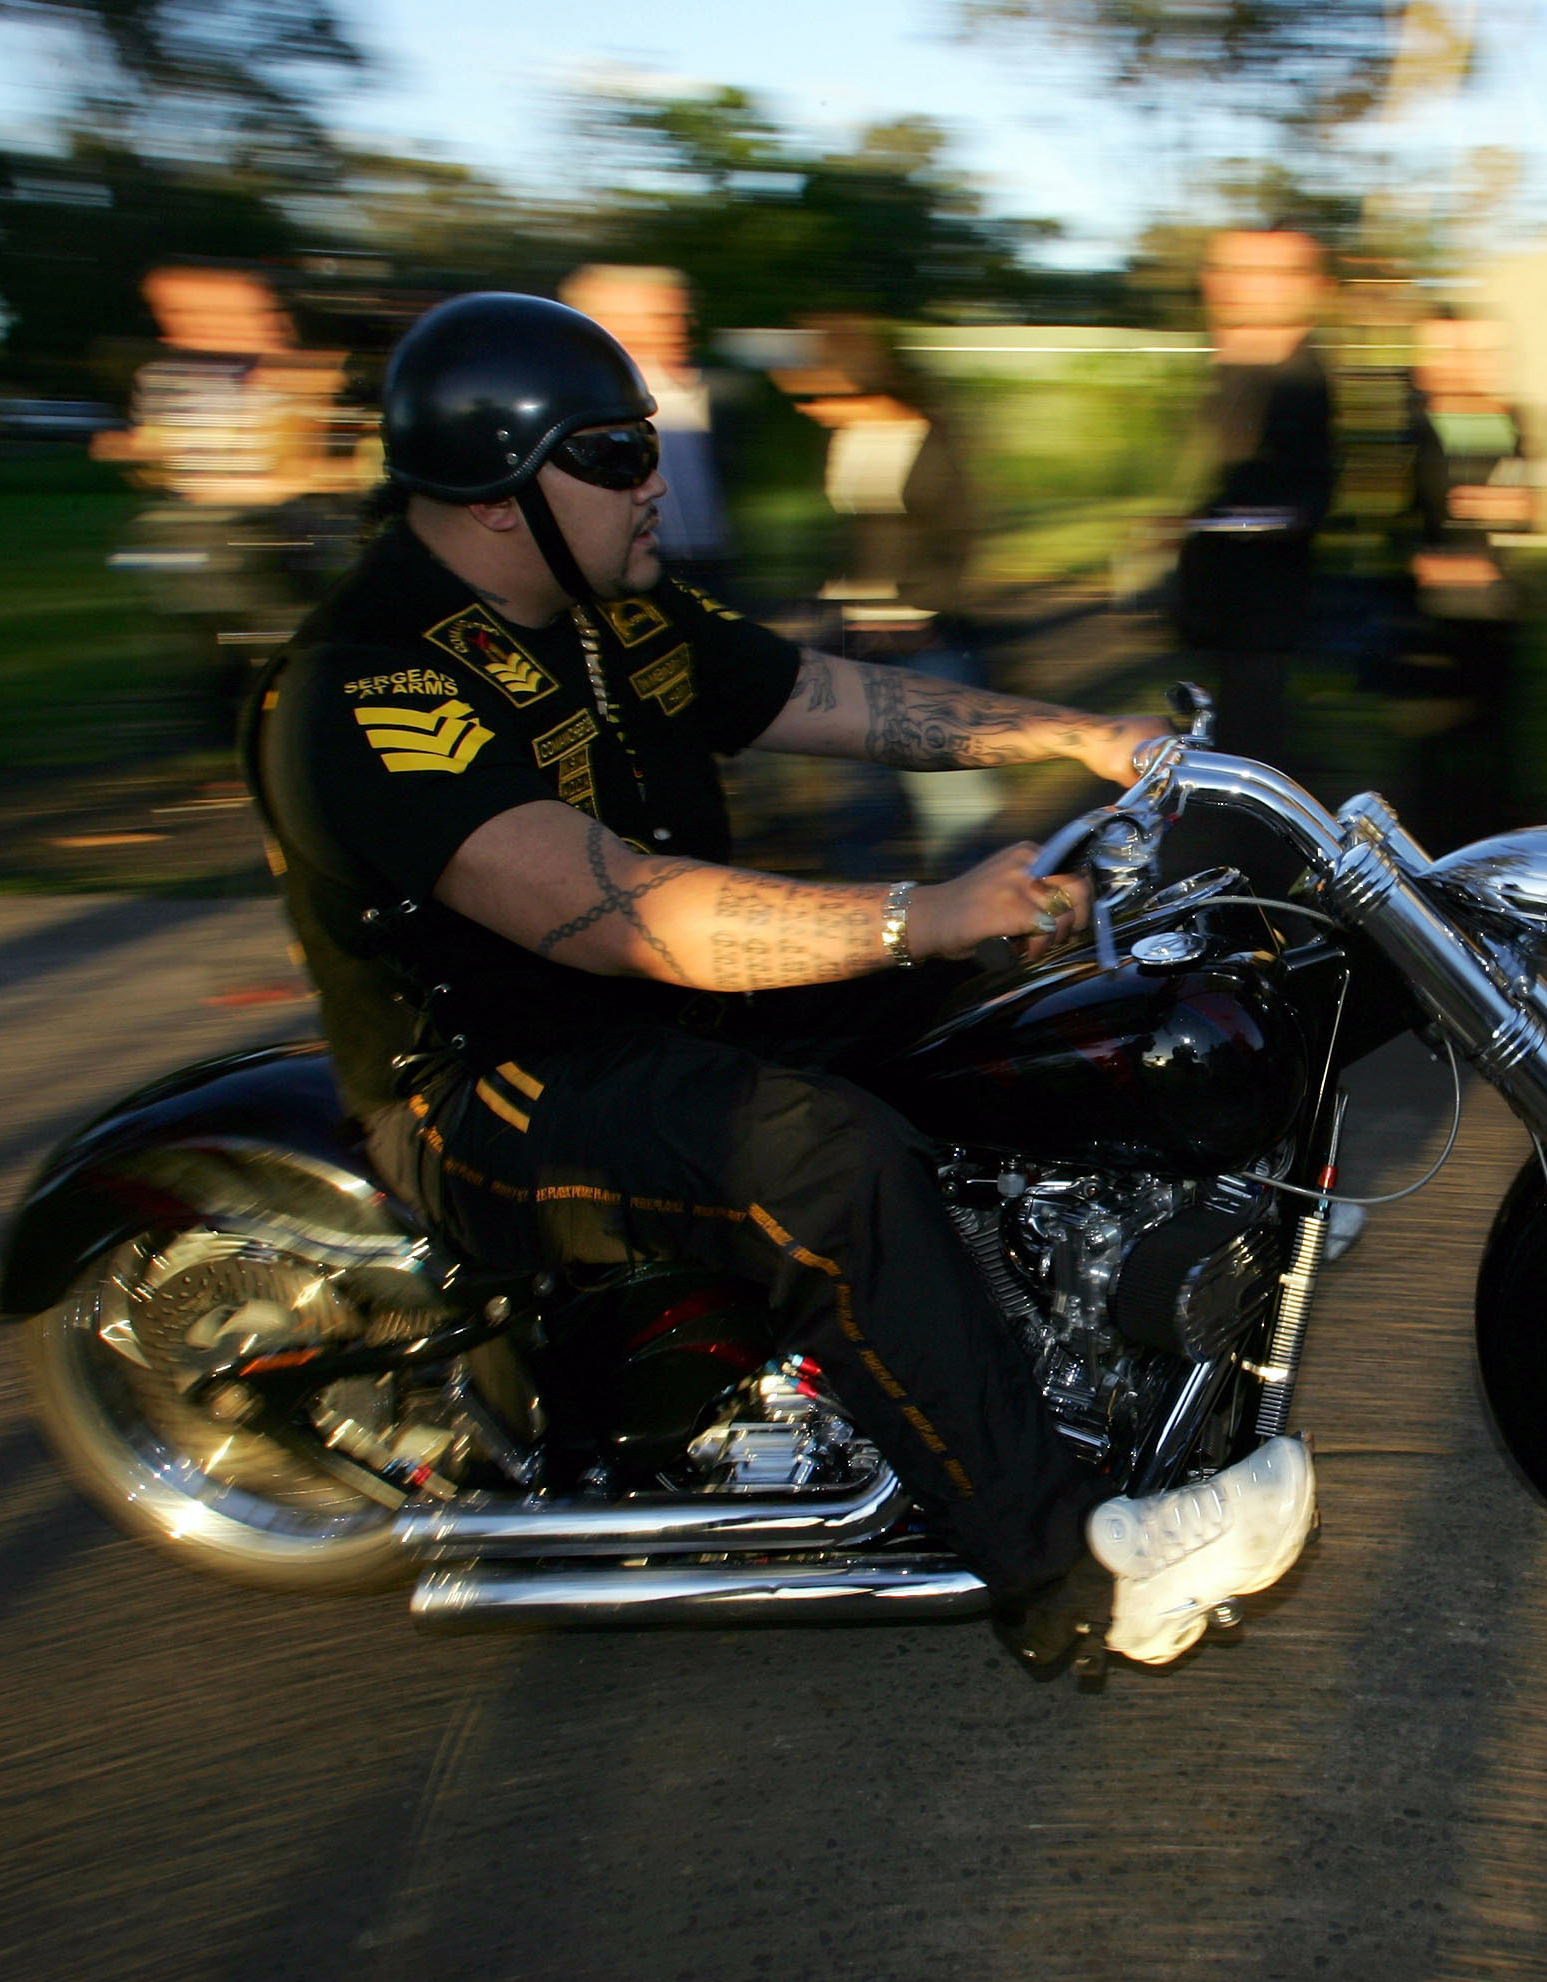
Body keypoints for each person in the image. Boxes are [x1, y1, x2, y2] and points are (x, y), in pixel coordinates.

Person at [249, 293, 1317, 1674]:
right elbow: (622, 915)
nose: (656, 478)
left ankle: (1072, 1317)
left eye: (648, 441)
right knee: (821, 1157)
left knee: (1019, 1010)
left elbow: (829, 696)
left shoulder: (612, 614)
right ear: (498, 494)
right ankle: (1079, 1571)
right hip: (499, 1083)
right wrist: (920, 912)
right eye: (616, 454)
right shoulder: (369, 685)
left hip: (662, 1012)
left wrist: (1085, 737)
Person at [94, 261, 367, 729]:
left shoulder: (290, 374)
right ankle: (235, 715)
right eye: (177, 313)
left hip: (266, 523)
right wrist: (139, 448)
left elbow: (302, 458)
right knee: (210, 629)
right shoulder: (167, 377)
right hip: (199, 522)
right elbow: (159, 451)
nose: (186, 325)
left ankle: (287, 717)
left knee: (274, 628)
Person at [775, 316, 1004, 875]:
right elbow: (838, 536)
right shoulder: (839, 440)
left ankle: (970, 901)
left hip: (924, 638)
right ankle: (870, 907)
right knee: (860, 788)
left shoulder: (931, 439)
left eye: (818, 393)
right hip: (848, 637)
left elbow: (960, 537)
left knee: (951, 785)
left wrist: (919, 606)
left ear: (855, 381)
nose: (808, 408)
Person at [1174, 227, 1338, 769]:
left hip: (1262, 612)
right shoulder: (1218, 368)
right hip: (1209, 606)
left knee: (1248, 751)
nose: (1235, 285)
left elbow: (1307, 494)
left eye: (1269, 272)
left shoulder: (1299, 380)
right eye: (1230, 270)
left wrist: (1229, 521)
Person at [1379, 311, 1534, 851]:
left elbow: (1526, 509)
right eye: (1445, 351)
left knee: (1492, 764)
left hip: (1495, 618)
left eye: (1473, 351)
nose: (1460, 364)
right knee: (1429, 769)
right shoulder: (1408, 432)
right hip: (1426, 626)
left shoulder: (1512, 422)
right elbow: (1398, 526)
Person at [557, 265, 738, 595]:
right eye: (661, 317)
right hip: (627, 575)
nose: (681, 328)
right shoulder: (577, 405)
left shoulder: (713, 391)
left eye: (681, 316)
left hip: (712, 570)